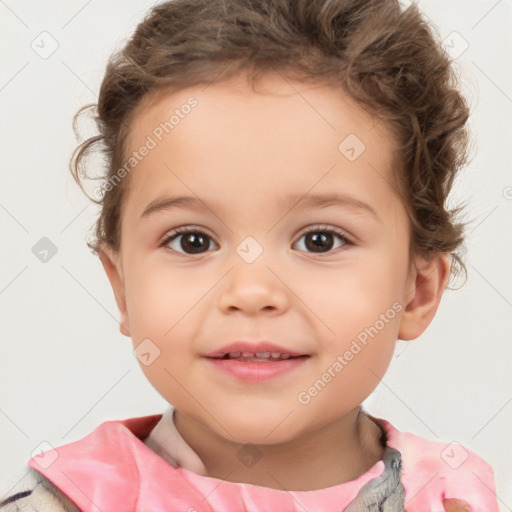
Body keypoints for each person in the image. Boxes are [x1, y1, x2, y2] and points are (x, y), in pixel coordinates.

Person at [0, 0, 499, 510]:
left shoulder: (450, 495)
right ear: (122, 286)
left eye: (320, 240)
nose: (251, 292)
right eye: (192, 241)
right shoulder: (69, 500)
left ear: (416, 291)